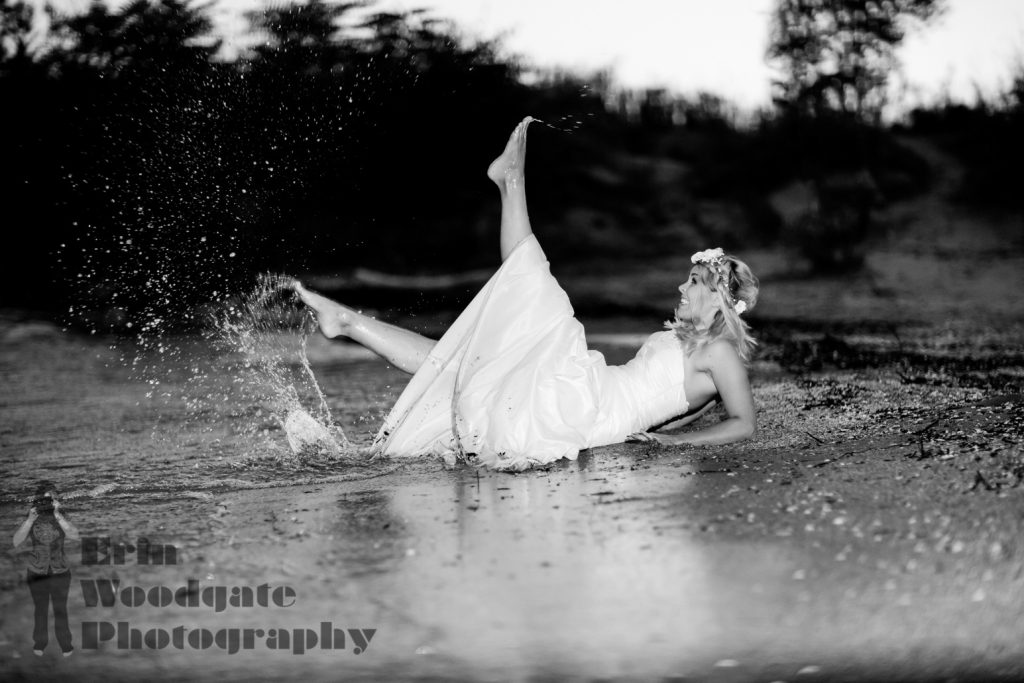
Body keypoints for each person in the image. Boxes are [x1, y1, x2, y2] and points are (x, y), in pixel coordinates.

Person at [295, 117, 759, 471]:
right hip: (594, 389)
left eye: (693, 282)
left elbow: (743, 423)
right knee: (462, 365)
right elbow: (676, 412)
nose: (681, 286)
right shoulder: (691, 343)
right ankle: (349, 323)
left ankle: (512, 182)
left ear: (719, 299)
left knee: (537, 301)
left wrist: (674, 444)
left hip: (592, 407)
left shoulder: (721, 352)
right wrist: (666, 434)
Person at [12, 482, 80, 657]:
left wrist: (58, 514)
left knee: (60, 609)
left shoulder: (61, 514)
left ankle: (66, 644)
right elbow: (16, 541)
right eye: (45, 499)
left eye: (52, 499)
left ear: (56, 499)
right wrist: (29, 520)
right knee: (40, 609)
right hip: (36, 570)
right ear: (37, 500)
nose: (48, 502)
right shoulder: (31, 515)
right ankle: (40, 642)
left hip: (60, 570)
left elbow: (75, 536)